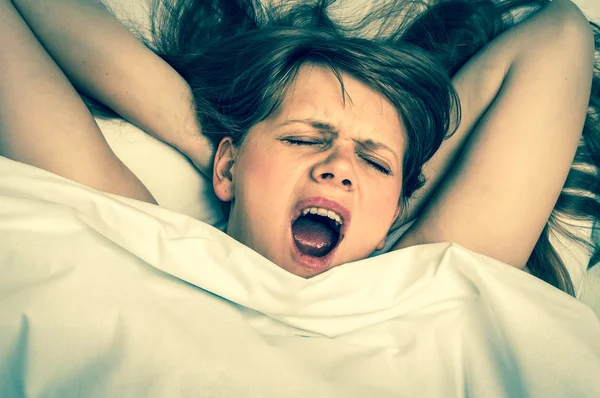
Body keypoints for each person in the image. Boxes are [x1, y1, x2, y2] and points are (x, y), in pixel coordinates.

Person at [0, 0, 598, 291]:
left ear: (399, 206)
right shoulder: (153, 247)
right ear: (230, 164)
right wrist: (203, 139)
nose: (339, 167)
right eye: (303, 138)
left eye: (372, 160)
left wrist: (390, 185)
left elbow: (560, 32)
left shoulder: (425, 286)